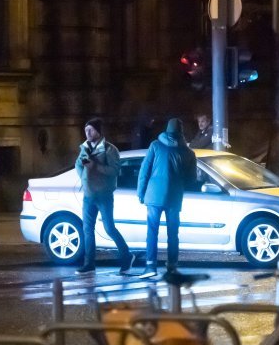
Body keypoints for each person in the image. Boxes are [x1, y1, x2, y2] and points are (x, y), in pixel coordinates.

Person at [136, 118, 197, 278]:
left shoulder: (155, 146)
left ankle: (150, 267)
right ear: (181, 132)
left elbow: (144, 171)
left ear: (166, 130)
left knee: (152, 231)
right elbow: (192, 180)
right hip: (174, 198)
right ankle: (172, 267)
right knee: (173, 234)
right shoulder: (189, 153)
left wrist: (141, 192)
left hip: (154, 196)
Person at [75, 117, 136, 276]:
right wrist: (84, 177)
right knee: (87, 229)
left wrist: (95, 166)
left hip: (104, 195)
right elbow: (78, 165)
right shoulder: (85, 148)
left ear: (99, 131)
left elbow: (114, 171)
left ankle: (126, 256)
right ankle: (89, 264)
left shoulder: (110, 150)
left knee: (109, 228)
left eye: (91, 130)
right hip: (88, 195)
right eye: (85, 130)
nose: (87, 133)